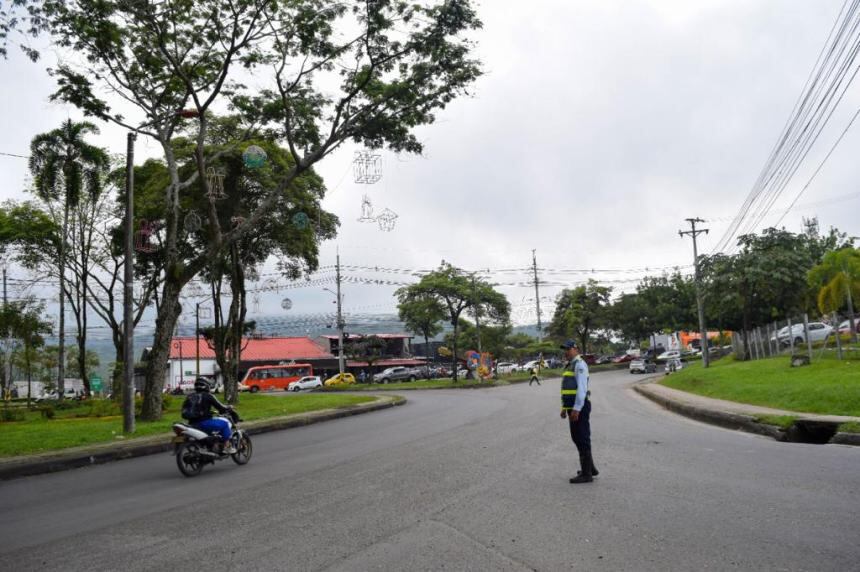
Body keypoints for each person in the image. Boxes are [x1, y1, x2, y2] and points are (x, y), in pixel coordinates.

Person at [559, 339, 599, 484]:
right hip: (572, 407)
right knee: (577, 438)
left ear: (576, 349)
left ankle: (587, 474)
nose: (566, 352)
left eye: (568, 349)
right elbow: (568, 389)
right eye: (565, 349)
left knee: (582, 438)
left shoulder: (580, 365)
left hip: (579, 408)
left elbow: (581, 389)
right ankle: (590, 468)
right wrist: (564, 408)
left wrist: (576, 408)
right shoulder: (570, 365)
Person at [181, 378, 236, 454]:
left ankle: (212, 444)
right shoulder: (208, 396)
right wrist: (229, 407)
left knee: (213, 428)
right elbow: (220, 406)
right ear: (207, 386)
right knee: (224, 424)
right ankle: (227, 447)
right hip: (204, 423)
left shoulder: (189, 396)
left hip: (192, 424)